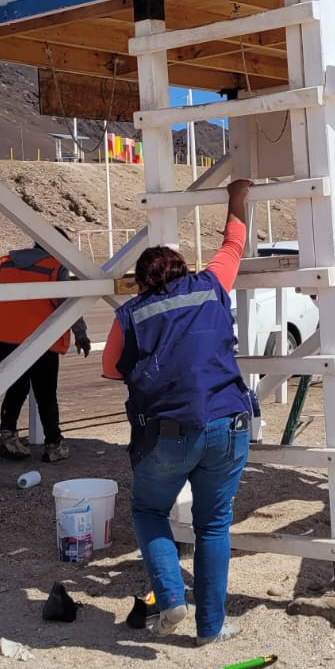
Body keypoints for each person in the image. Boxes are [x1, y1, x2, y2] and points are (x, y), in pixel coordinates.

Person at [102, 181, 256, 644]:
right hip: (229, 422)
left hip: (167, 432)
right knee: (214, 525)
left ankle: (170, 597)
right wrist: (237, 197)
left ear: (142, 281)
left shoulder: (131, 314)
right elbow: (234, 242)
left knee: (149, 509)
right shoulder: (211, 285)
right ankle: (211, 628)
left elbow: (110, 368)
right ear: (183, 269)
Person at [0, 246, 91, 463]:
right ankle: (53, 445)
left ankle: (9, 438)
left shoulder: (3, 262)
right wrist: (81, 334)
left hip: (4, 337)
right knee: (46, 395)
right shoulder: (56, 267)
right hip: (41, 340)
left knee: (16, 389)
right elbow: (67, 304)